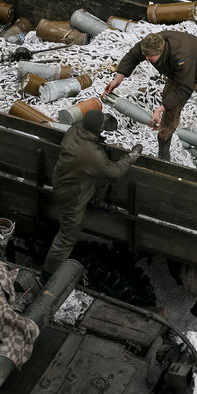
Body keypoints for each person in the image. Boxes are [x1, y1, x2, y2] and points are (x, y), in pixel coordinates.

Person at [102, 31, 197, 181]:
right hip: (178, 75)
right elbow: (133, 55)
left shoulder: (182, 55)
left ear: (161, 50)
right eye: (146, 56)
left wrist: (161, 108)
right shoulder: (151, 44)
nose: (147, 59)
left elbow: (185, 88)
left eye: (151, 57)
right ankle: (164, 152)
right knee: (170, 114)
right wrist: (119, 78)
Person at [42, 109, 142, 276]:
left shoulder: (74, 131)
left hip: (69, 180)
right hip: (71, 196)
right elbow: (114, 171)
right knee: (67, 236)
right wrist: (131, 157)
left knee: (100, 178)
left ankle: (96, 203)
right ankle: (47, 274)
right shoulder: (91, 154)